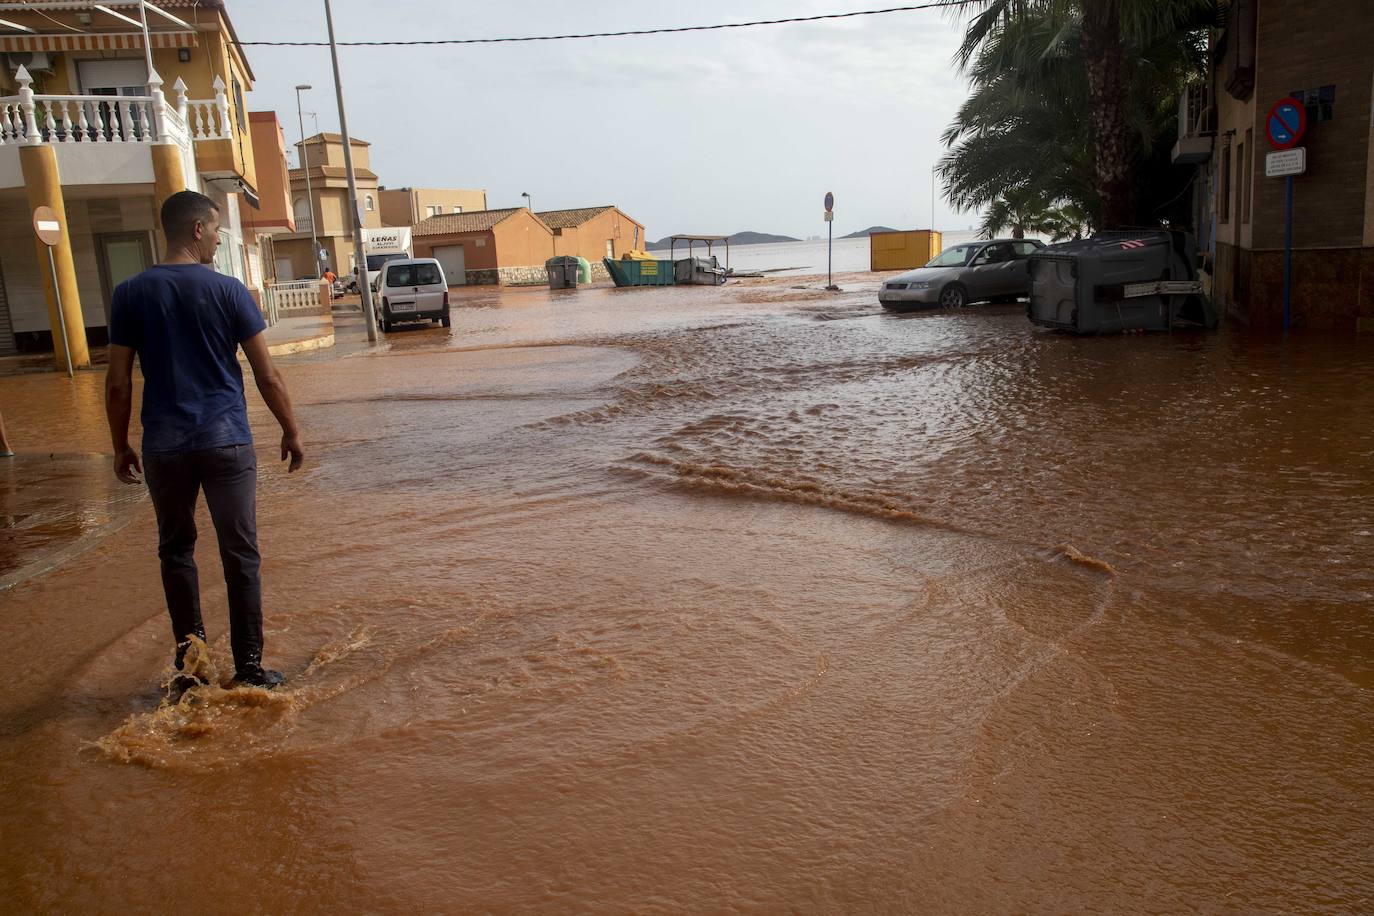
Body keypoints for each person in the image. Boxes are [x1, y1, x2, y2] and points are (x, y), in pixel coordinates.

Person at [104, 190, 304, 691]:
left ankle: (190, 674)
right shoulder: (230, 291)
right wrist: (291, 430)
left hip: (164, 447)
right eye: (215, 230)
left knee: (176, 552)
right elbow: (267, 375)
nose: (218, 239)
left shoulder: (130, 292)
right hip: (226, 443)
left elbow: (118, 382)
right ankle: (251, 670)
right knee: (240, 554)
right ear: (197, 230)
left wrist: (119, 444)